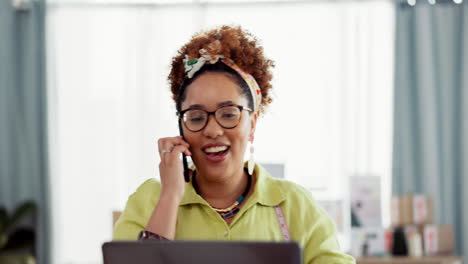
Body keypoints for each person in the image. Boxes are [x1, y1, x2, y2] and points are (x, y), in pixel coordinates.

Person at [113, 25, 355, 264]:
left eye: (229, 114)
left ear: (253, 122)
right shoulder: (150, 200)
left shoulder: (293, 204)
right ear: (181, 128)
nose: (213, 130)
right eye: (196, 117)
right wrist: (170, 195)